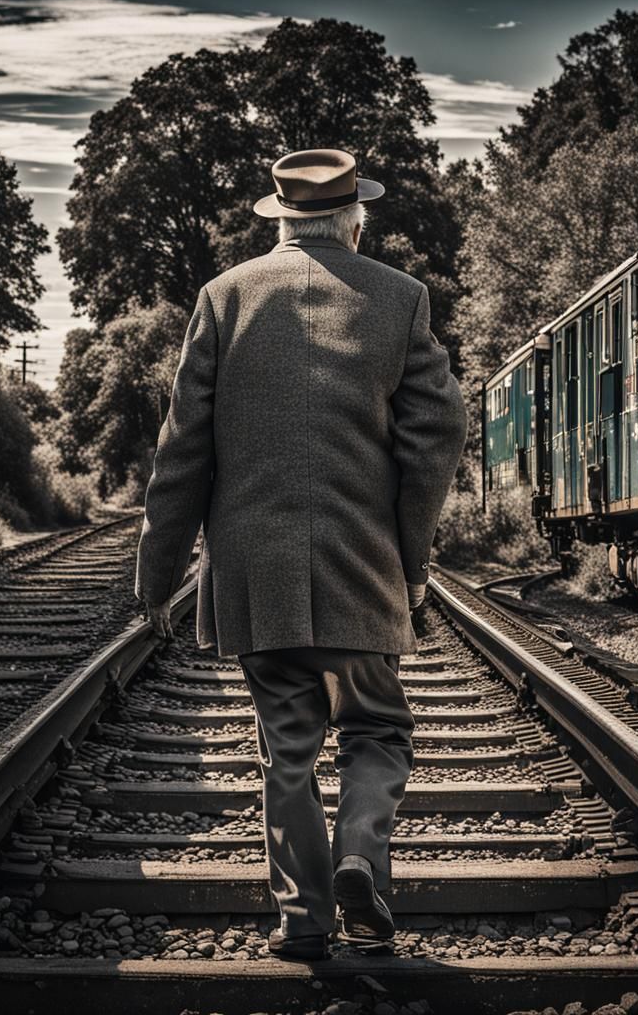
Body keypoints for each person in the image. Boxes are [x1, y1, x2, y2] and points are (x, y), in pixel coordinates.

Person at [135, 148, 468, 961]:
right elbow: (438, 436)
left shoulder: (224, 298)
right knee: (376, 729)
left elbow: (181, 451)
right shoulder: (401, 298)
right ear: (356, 224)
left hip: (256, 571)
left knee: (286, 749)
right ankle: (360, 857)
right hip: (362, 564)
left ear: (281, 220)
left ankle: (304, 922)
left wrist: (158, 573)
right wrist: (411, 560)